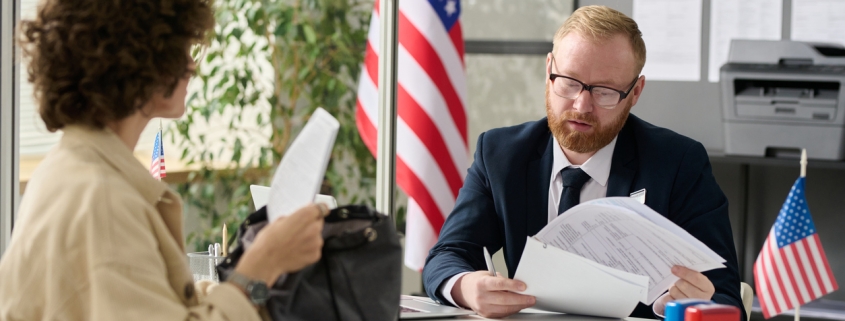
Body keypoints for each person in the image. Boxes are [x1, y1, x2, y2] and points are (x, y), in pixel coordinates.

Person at [0, 0, 325, 320]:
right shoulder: (103, 200)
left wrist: (236, 285)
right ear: (140, 62)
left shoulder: (71, 169)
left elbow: (141, 299)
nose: (192, 66)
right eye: (181, 51)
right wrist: (264, 261)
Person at [423, 5, 744, 320]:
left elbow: (726, 296)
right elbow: (447, 256)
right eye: (569, 81)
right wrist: (466, 287)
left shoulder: (678, 164)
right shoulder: (500, 153)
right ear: (549, 70)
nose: (582, 104)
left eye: (604, 91)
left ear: (635, 92)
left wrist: (685, 303)